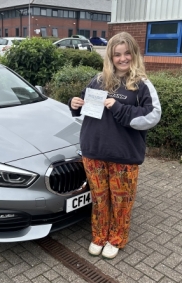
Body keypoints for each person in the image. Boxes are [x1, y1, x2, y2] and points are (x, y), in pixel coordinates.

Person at [68, 32, 161, 259]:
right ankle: (99, 236)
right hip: (94, 151)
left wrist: (119, 108)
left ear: (134, 54)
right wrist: (75, 104)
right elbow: (85, 107)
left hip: (124, 155)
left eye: (127, 53)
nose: (122, 58)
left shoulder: (141, 85)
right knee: (99, 199)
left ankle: (116, 238)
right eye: (117, 54)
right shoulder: (98, 80)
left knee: (121, 201)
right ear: (110, 56)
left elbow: (153, 116)